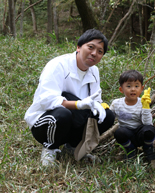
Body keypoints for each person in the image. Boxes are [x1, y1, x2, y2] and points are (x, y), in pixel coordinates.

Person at [24, 29, 115, 166]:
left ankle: (72, 147)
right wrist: (78, 104)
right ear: (78, 47)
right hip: (45, 121)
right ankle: (50, 148)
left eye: (100, 51)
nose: (94, 53)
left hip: (73, 120)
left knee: (107, 116)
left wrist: (99, 106)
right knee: (62, 113)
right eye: (90, 47)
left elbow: (95, 99)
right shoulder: (58, 65)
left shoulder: (94, 71)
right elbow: (47, 100)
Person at [110, 70, 155, 161]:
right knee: (119, 132)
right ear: (121, 89)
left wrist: (146, 107)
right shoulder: (117, 103)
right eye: (128, 86)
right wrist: (105, 110)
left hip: (140, 133)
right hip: (127, 134)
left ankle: (148, 148)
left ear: (141, 88)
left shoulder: (142, 102)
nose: (133, 89)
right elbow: (110, 117)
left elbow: (147, 123)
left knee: (150, 129)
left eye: (136, 86)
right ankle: (130, 149)